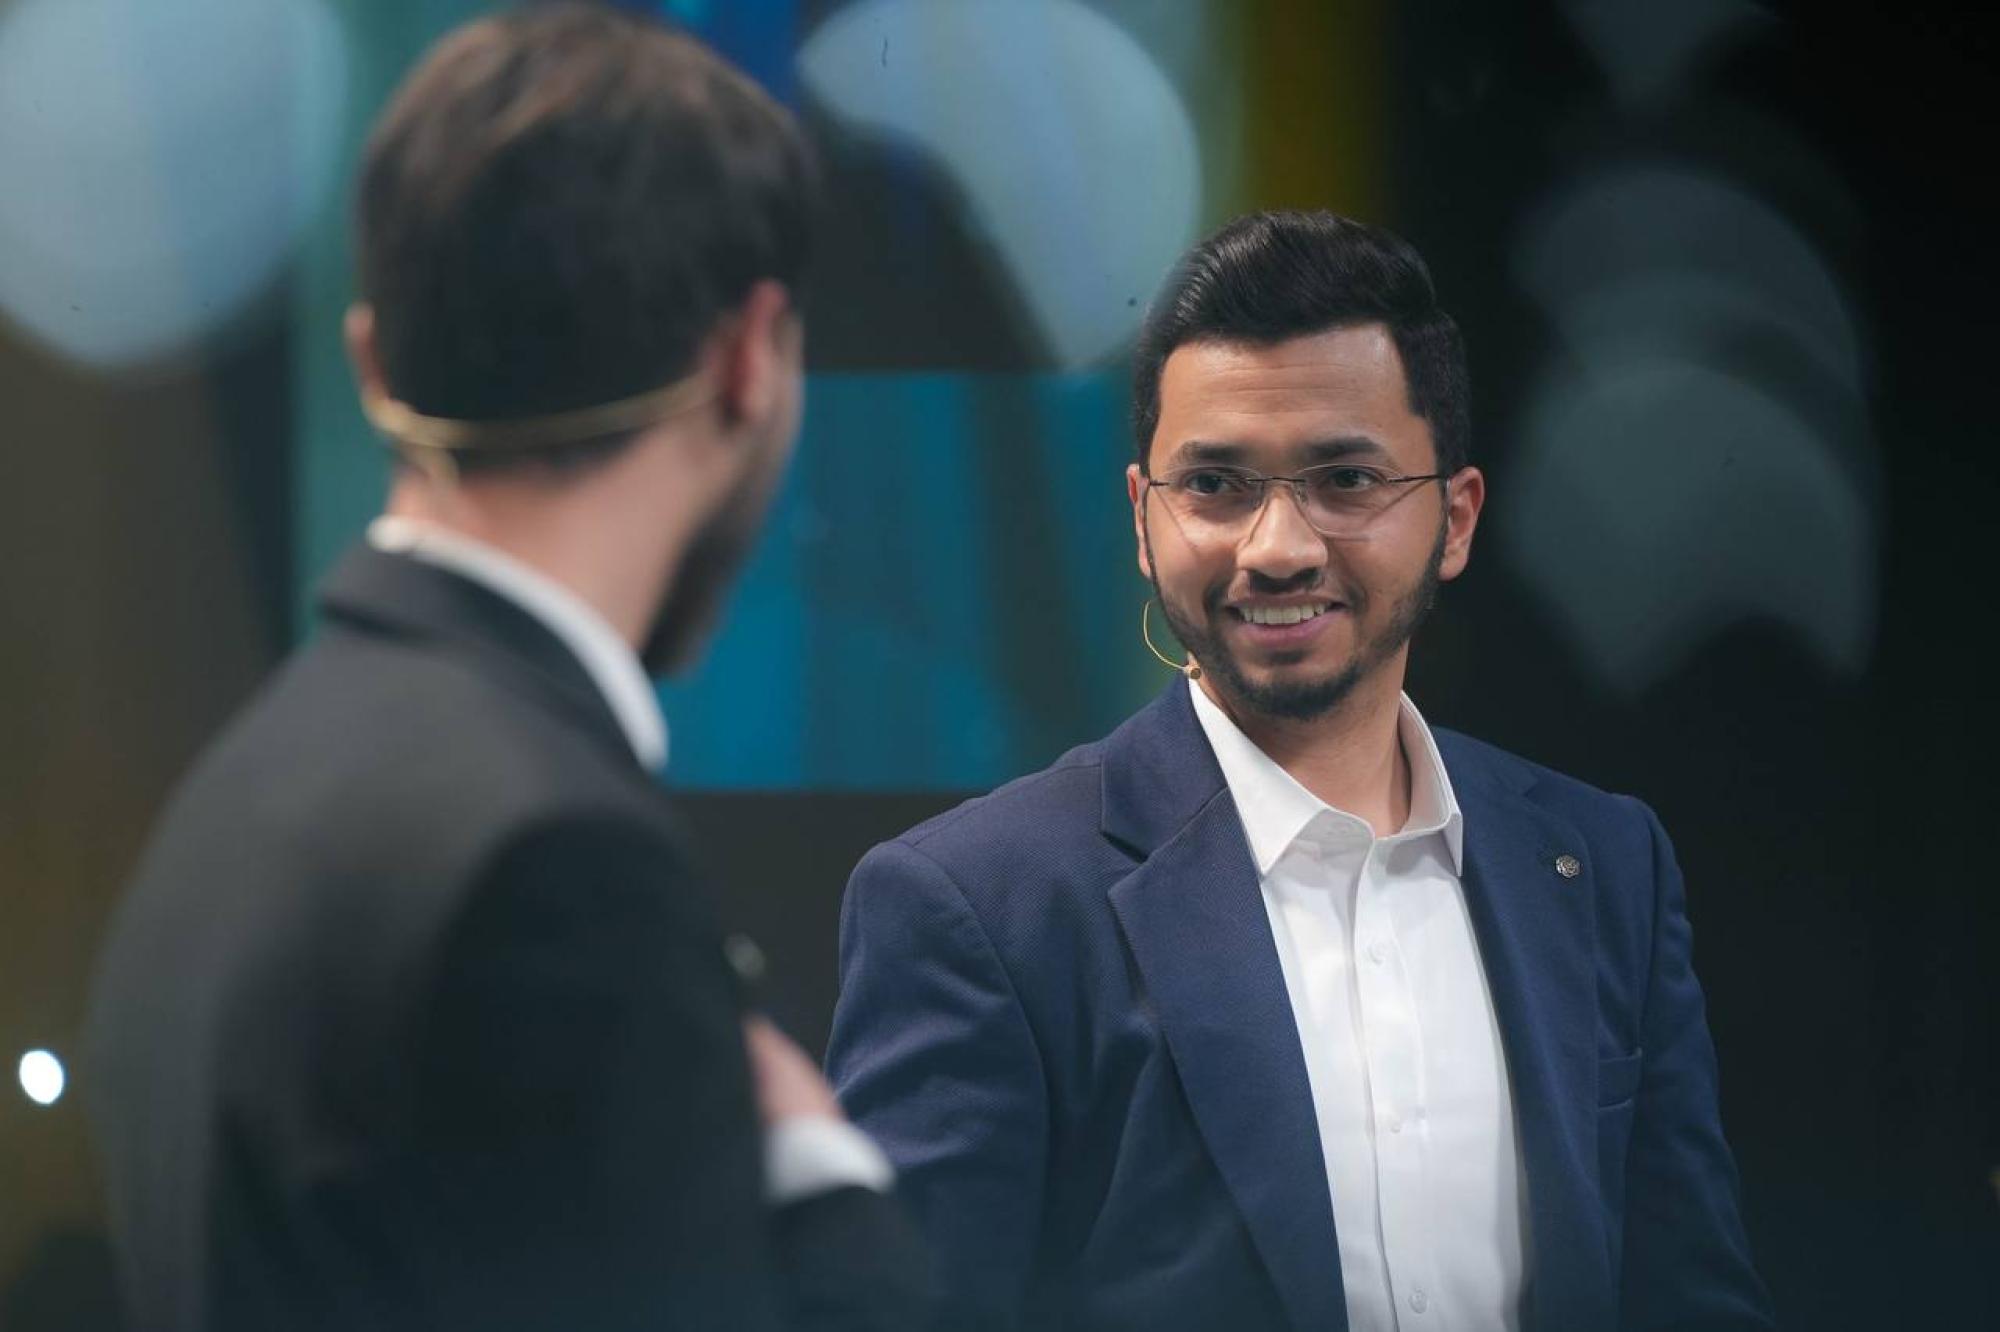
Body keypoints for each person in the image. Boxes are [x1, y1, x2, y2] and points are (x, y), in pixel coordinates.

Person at [85, 7, 923, 1330]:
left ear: (371, 356)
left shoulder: (238, 789)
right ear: (746, 359)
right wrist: (828, 1190)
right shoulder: (554, 866)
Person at [825, 210, 1775, 1331]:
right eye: (1215, 484)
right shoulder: (983, 906)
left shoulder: (1602, 863)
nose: (1277, 546)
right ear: (1142, 519)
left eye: (1346, 478)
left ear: (1454, 518)